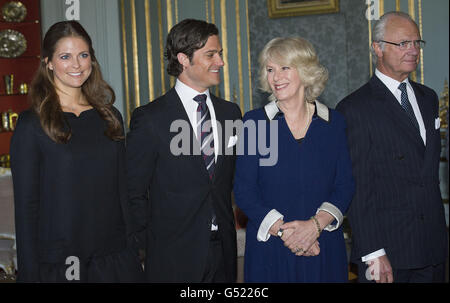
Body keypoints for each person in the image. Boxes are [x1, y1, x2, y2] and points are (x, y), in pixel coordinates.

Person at [10, 21, 144, 282]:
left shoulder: (110, 116)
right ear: (48, 62)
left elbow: (122, 192)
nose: (76, 64)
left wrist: (133, 250)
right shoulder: (32, 124)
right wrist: (29, 273)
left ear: (92, 60)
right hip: (61, 263)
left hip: (114, 258)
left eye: (83, 55)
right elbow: (26, 208)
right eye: (65, 56)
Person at [126, 19, 242, 282]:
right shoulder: (151, 118)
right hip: (172, 256)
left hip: (223, 251)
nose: (220, 62)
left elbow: (236, 179)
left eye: (220, 54)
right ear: (184, 59)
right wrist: (148, 245)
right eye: (211, 54)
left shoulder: (231, 113)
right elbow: (133, 192)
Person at [336, 11, 448, 283]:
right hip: (388, 251)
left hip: (433, 245)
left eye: (416, 43)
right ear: (378, 48)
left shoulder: (428, 98)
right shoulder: (355, 108)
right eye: (403, 43)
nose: (412, 50)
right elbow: (359, 188)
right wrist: (373, 251)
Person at [233, 37, 355, 282]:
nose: (276, 77)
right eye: (270, 70)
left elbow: (344, 185)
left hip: (323, 246)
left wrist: (314, 227)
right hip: (271, 250)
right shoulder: (255, 123)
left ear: (306, 71)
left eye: (284, 68)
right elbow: (244, 191)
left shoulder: (334, 123)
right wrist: (287, 233)